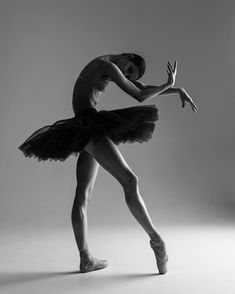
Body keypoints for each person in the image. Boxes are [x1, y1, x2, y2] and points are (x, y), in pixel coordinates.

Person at [18, 53, 199, 274]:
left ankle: (86, 259)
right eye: (129, 69)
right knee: (130, 181)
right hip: (89, 127)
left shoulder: (106, 65)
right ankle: (157, 241)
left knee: (83, 194)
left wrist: (175, 89)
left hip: (83, 127)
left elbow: (141, 86)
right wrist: (168, 84)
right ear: (126, 56)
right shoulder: (107, 65)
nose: (126, 74)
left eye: (130, 74)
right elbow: (140, 95)